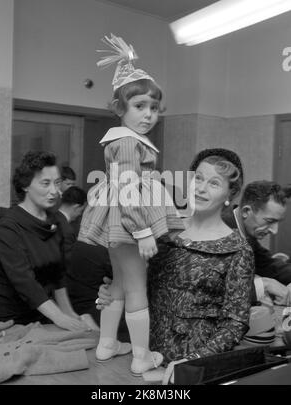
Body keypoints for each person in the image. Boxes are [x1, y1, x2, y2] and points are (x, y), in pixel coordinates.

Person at [78, 34, 184, 376]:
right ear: (119, 108)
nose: (149, 114)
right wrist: (142, 233)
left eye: (154, 108)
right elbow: (127, 191)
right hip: (129, 224)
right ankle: (141, 356)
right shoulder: (126, 143)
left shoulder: (126, 139)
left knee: (121, 283)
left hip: (120, 224)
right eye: (140, 106)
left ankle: (107, 344)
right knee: (137, 284)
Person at [97, 148, 255, 369]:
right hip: (141, 354)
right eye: (198, 178)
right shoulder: (163, 229)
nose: (201, 188)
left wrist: (193, 361)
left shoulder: (237, 249)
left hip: (188, 362)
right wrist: (112, 291)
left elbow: (234, 323)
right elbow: (133, 280)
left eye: (214, 183)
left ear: (230, 195)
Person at [0, 151, 92, 332]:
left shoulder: (57, 221)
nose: (54, 191)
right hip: (11, 319)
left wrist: (69, 313)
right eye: (45, 183)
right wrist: (59, 318)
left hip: (44, 314)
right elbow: (24, 281)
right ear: (25, 186)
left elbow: (58, 276)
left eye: (57, 183)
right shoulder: (7, 227)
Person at [222, 180, 291, 345]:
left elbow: (270, 266)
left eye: (277, 223)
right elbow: (215, 289)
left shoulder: (246, 231)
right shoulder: (221, 230)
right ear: (247, 211)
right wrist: (265, 285)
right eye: (269, 221)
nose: (274, 231)